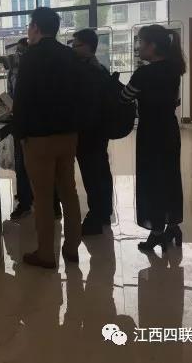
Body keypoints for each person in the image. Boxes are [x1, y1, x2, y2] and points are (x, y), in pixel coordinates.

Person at [0, 39, 62, 221]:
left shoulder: (21, 60)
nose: (16, 54)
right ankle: (43, 202)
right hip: (36, 121)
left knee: (24, 164)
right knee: (39, 165)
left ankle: (27, 203)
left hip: (26, 123)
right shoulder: (42, 66)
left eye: (20, 50)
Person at [13, 7, 84, 268]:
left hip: (39, 138)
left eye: (30, 26)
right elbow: (79, 94)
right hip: (68, 135)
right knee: (69, 191)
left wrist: (20, 135)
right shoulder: (70, 55)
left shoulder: (31, 57)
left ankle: (45, 253)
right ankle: (72, 248)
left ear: (35, 27)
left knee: (42, 197)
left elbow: (21, 98)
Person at [120, 24, 185, 252]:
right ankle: (173, 226)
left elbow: (125, 97)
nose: (139, 47)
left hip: (150, 133)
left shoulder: (144, 74)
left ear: (153, 46)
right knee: (169, 177)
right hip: (169, 129)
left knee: (151, 181)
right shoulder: (174, 69)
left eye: (141, 42)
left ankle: (156, 232)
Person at [70, 29, 114, 235]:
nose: (72, 49)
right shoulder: (100, 68)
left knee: (92, 175)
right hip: (99, 131)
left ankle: (95, 217)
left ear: (88, 47)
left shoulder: (85, 71)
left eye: (76, 45)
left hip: (88, 132)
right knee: (101, 172)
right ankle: (104, 212)